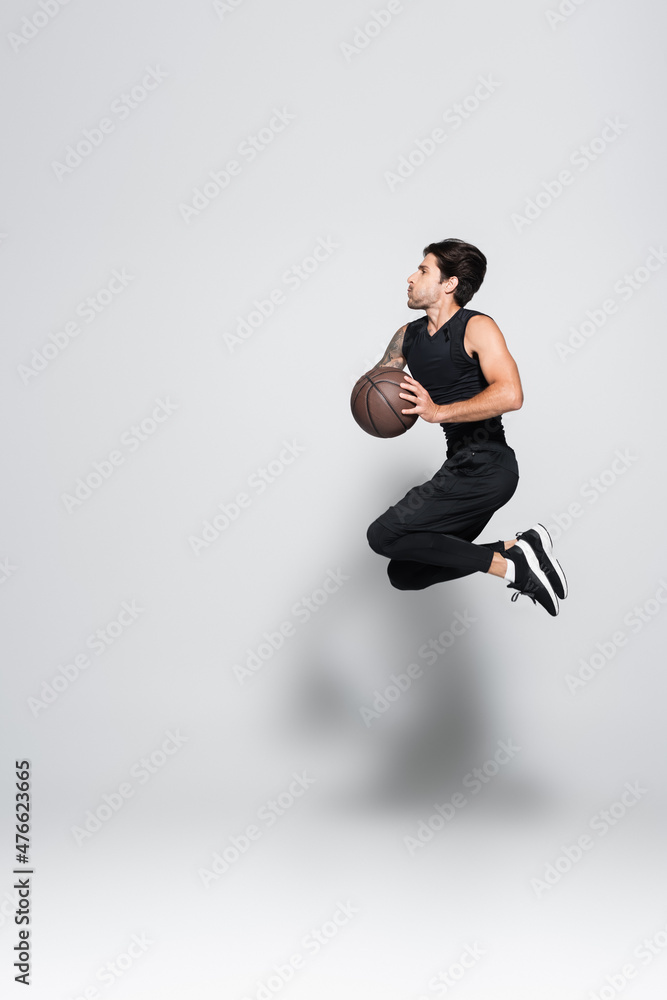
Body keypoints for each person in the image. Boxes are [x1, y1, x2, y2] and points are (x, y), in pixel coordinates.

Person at [365, 238, 567, 616]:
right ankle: (519, 549)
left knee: (382, 534)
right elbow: (374, 387)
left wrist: (439, 411)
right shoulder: (406, 337)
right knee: (406, 572)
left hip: (487, 465)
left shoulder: (476, 327)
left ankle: (512, 568)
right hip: (459, 465)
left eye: (423, 270)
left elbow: (511, 394)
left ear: (450, 283)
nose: (410, 277)